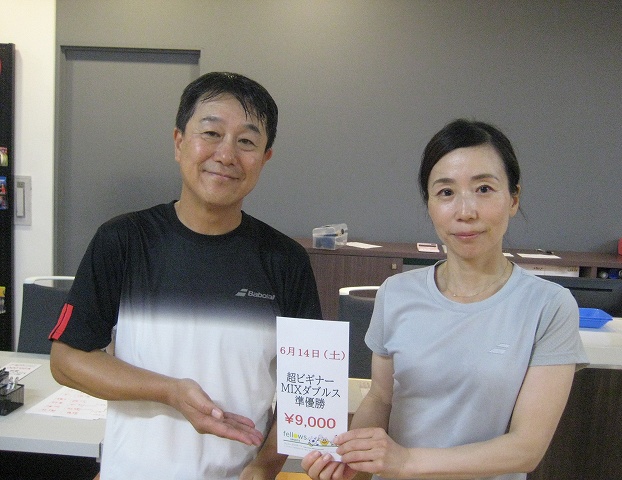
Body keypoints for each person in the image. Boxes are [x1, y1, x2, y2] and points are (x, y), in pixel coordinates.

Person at [49, 72, 322, 480]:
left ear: (265, 158)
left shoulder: (286, 260)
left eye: (246, 142)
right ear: (179, 142)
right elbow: (67, 360)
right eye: (211, 133)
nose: (226, 155)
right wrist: (171, 392)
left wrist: (264, 467)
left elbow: (308, 389)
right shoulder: (123, 240)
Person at [302, 119, 588, 480]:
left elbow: (526, 448)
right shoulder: (396, 293)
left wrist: (406, 461)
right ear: (430, 204)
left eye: (483, 189)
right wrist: (353, 461)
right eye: (446, 192)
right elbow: (381, 398)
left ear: (513, 198)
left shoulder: (549, 306)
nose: (465, 211)